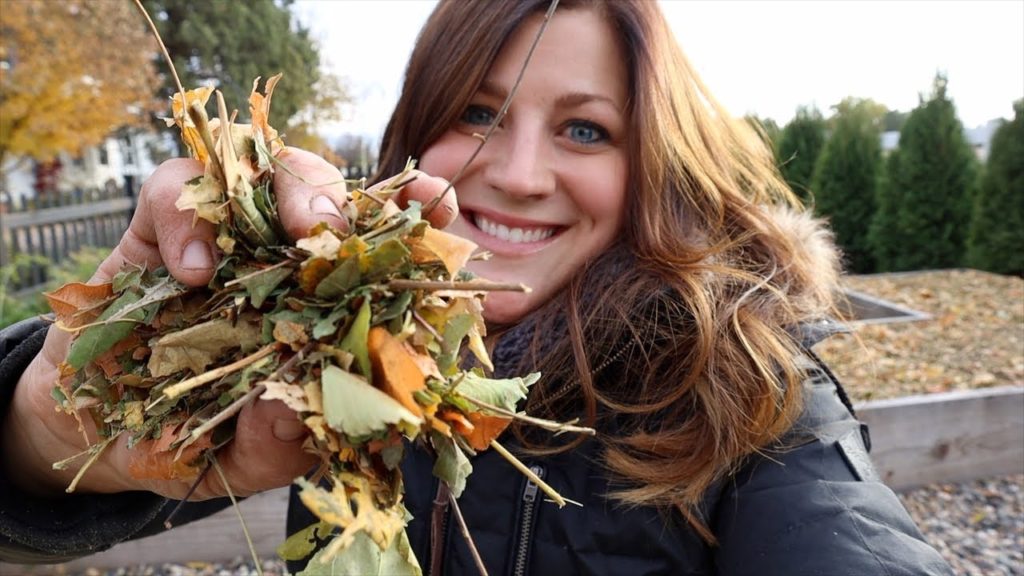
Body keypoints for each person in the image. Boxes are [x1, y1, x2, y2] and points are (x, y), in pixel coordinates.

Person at [1, 1, 953, 574]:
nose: (519, 172)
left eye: (586, 130)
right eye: (477, 113)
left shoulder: (750, 391)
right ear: (414, 131)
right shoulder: (318, 335)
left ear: (654, 165)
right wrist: (42, 434)